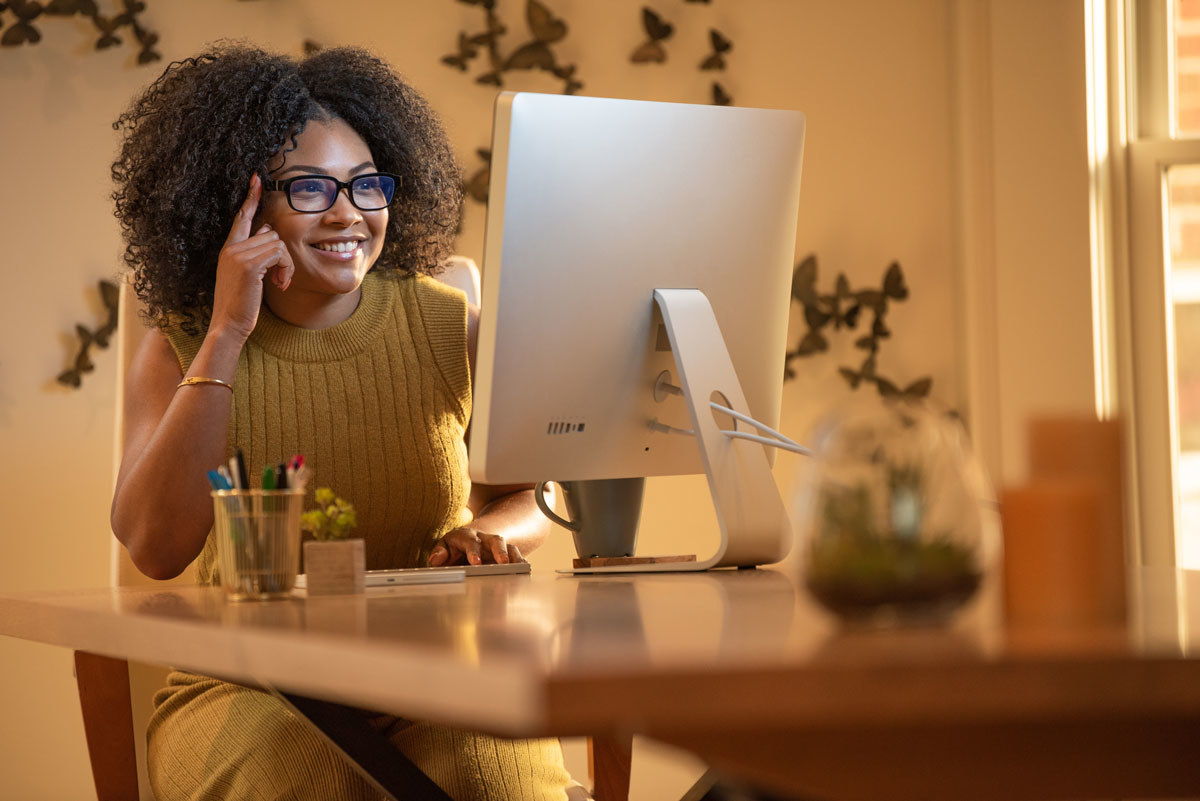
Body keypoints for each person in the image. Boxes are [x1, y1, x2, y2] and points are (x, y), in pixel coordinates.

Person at [109, 41, 577, 801]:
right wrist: (227, 333)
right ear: (242, 204)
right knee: (316, 784)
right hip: (251, 690)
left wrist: (489, 537)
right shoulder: (184, 344)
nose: (347, 214)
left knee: (502, 783)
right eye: (310, 190)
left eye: (366, 186)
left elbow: (535, 496)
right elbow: (156, 550)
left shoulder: (450, 327)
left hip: (439, 681)